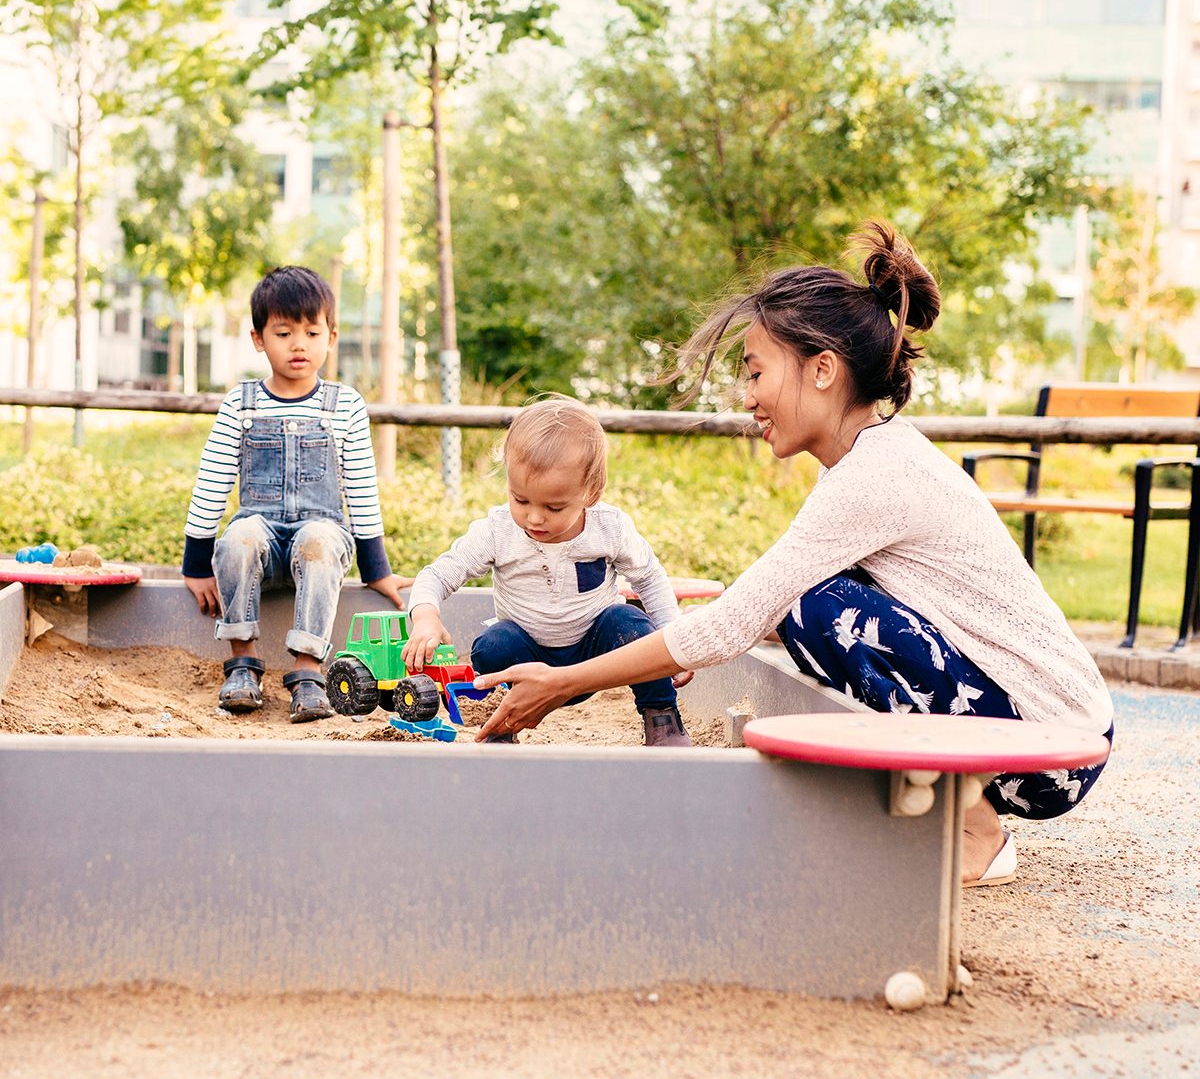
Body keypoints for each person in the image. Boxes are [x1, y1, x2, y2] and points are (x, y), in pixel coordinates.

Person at [474, 222, 1114, 886]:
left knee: (817, 609)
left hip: (1052, 744)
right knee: (806, 609)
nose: (748, 397)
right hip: (1035, 731)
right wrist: (691, 629)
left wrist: (565, 681)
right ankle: (943, 812)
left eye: (757, 372)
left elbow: (735, 625)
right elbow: (749, 613)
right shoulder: (865, 460)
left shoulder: (875, 476)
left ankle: (975, 832)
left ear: (823, 370)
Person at [182, 266, 411, 723]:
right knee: (240, 537)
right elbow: (212, 482)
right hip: (262, 538)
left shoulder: (345, 405)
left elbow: (362, 490)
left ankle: (308, 672)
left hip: (320, 533)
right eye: (284, 333)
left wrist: (377, 570)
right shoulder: (240, 403)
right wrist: (196, 565)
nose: (298, 345)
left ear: (331, 337)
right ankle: (243, 665)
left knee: (318, 541)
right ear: (259, 339)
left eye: (312, 332)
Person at [402, 396, 694, 746]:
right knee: (493, 645)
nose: (534, 517)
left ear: (591, 494)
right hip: (525, 658)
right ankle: (502, 727)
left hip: (596, 655)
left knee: (630, 623)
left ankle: (662, 717)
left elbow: (649, 578)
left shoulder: (609, 528)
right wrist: (426, 617)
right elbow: (437, 574)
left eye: (554, 507)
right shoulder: (498, 531)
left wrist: (673, 637)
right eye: (520, 500)